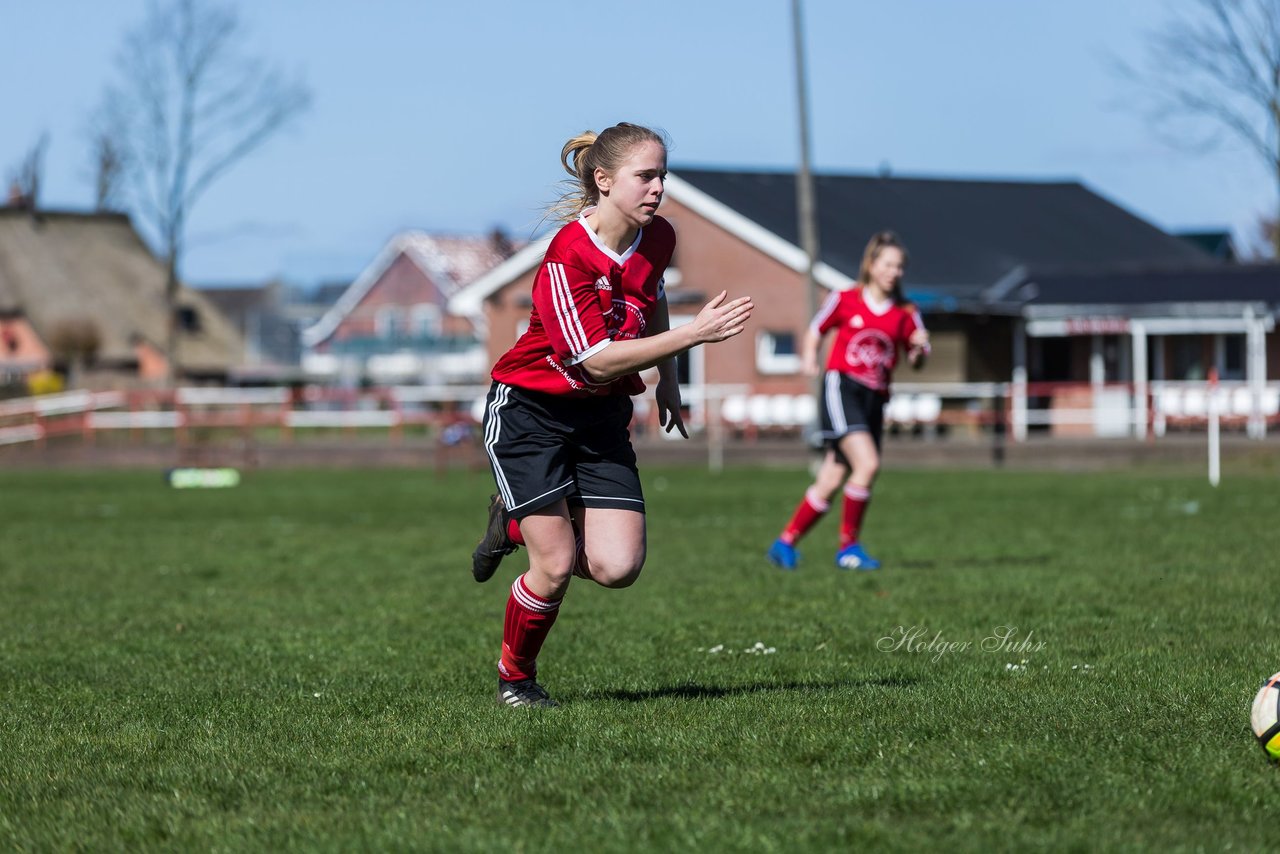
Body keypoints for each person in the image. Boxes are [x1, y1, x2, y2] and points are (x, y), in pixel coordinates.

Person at [469, 122, 753, 707]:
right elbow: (595, 363)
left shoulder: (659, 237)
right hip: (530, 414)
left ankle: (515, 519)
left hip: (599, 420)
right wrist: (693, 339)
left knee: (618, 567)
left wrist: (670, 381)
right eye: (645, 177)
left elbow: (652, 296)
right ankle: (515, 679)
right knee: (554, 567)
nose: (658, 189)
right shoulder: (568, 255)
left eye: (663, 177)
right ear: (604, 181)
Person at [766, 231, 929, 572]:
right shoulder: (845, 298)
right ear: (871, 265)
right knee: (866, 465)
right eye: (887, 264)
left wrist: (917, 348)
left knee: (832, 476)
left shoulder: (906, 312)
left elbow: (917, 359)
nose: (893, 272)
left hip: (875, 399)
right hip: (842, 388)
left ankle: (784, 544)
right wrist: (810, 356)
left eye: (899, 267)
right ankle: (848, 548)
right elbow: (816, 328)